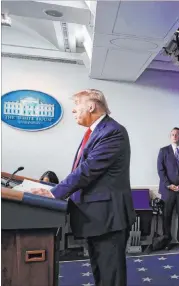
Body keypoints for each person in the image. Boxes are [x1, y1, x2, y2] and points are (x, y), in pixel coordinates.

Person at [32, 89, 136, 286]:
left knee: (111, 274)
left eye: (76, 106)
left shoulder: (113, 131)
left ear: (91, 106)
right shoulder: (95, 132)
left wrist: (55, 193)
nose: (73, 112)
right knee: (100, 271)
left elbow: (87, 170)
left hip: (108, 217)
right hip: (96, 216)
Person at [157, 127, 179, 250]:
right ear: (170, 136)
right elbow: (161, 171)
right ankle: (167, 240)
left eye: (177, 134)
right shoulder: (163, 151)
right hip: (168, 190)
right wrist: (168, 184)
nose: (175, 136)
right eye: (172, 134)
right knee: (167, 216)